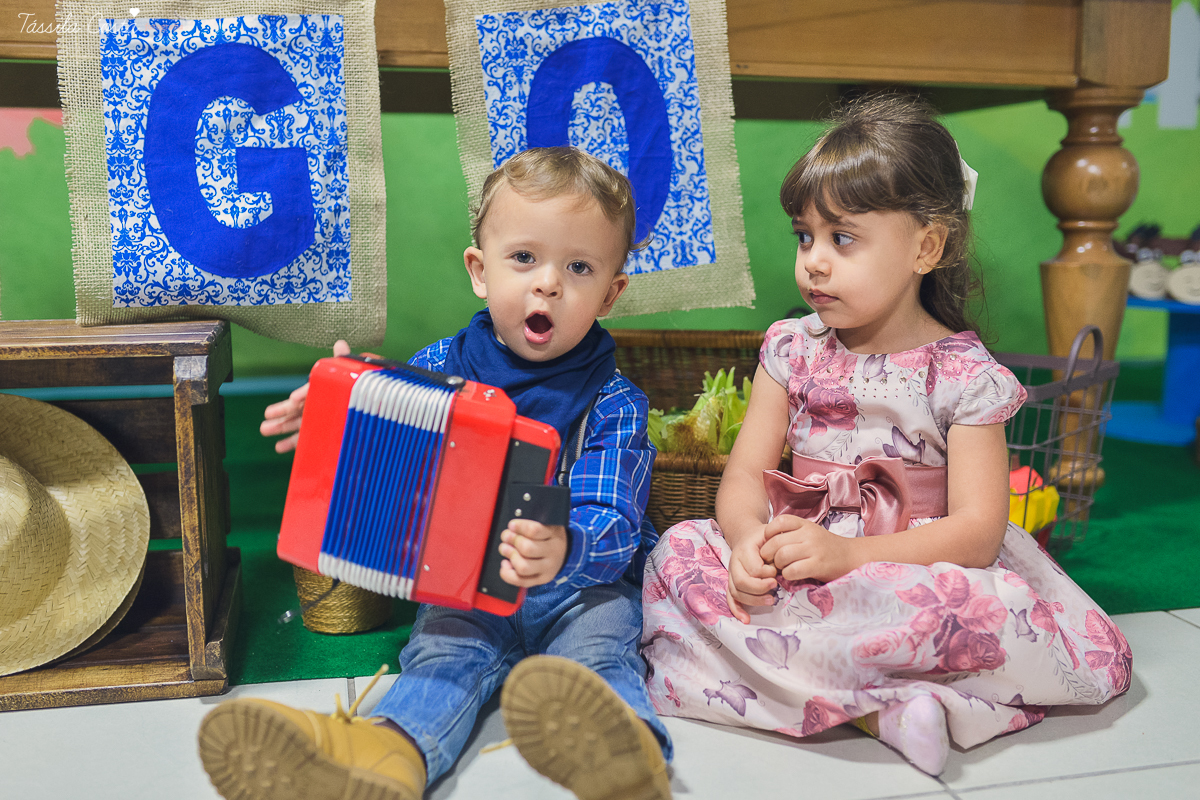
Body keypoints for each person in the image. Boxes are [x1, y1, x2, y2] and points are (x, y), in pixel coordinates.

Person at [640, 94, 1131, 777]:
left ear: (926, 246)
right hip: (798, 561)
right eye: (803, 236)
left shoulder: (964, 375)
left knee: (989, 608)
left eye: (842, 239)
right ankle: (879, 699)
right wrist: (750, 545)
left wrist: (853, 558)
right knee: (679, 551)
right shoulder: (791, 349)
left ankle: (858, 698)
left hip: (907, 568)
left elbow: (979, 533)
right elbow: (745, 482)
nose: (813, 261)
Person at [198, 147, 673, 800]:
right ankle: (380, 759)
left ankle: (625, 757)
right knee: (437, 662)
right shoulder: (438, 366)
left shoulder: (613, 400)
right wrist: (341, 416)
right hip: (462, 590)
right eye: (525, 258)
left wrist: (567, 544)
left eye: (580, 266)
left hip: (576, 591)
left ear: (611, 291)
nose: (548, 284)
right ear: (481, 271)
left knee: (599, 650)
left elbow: (615, 518)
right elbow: (387, 464)